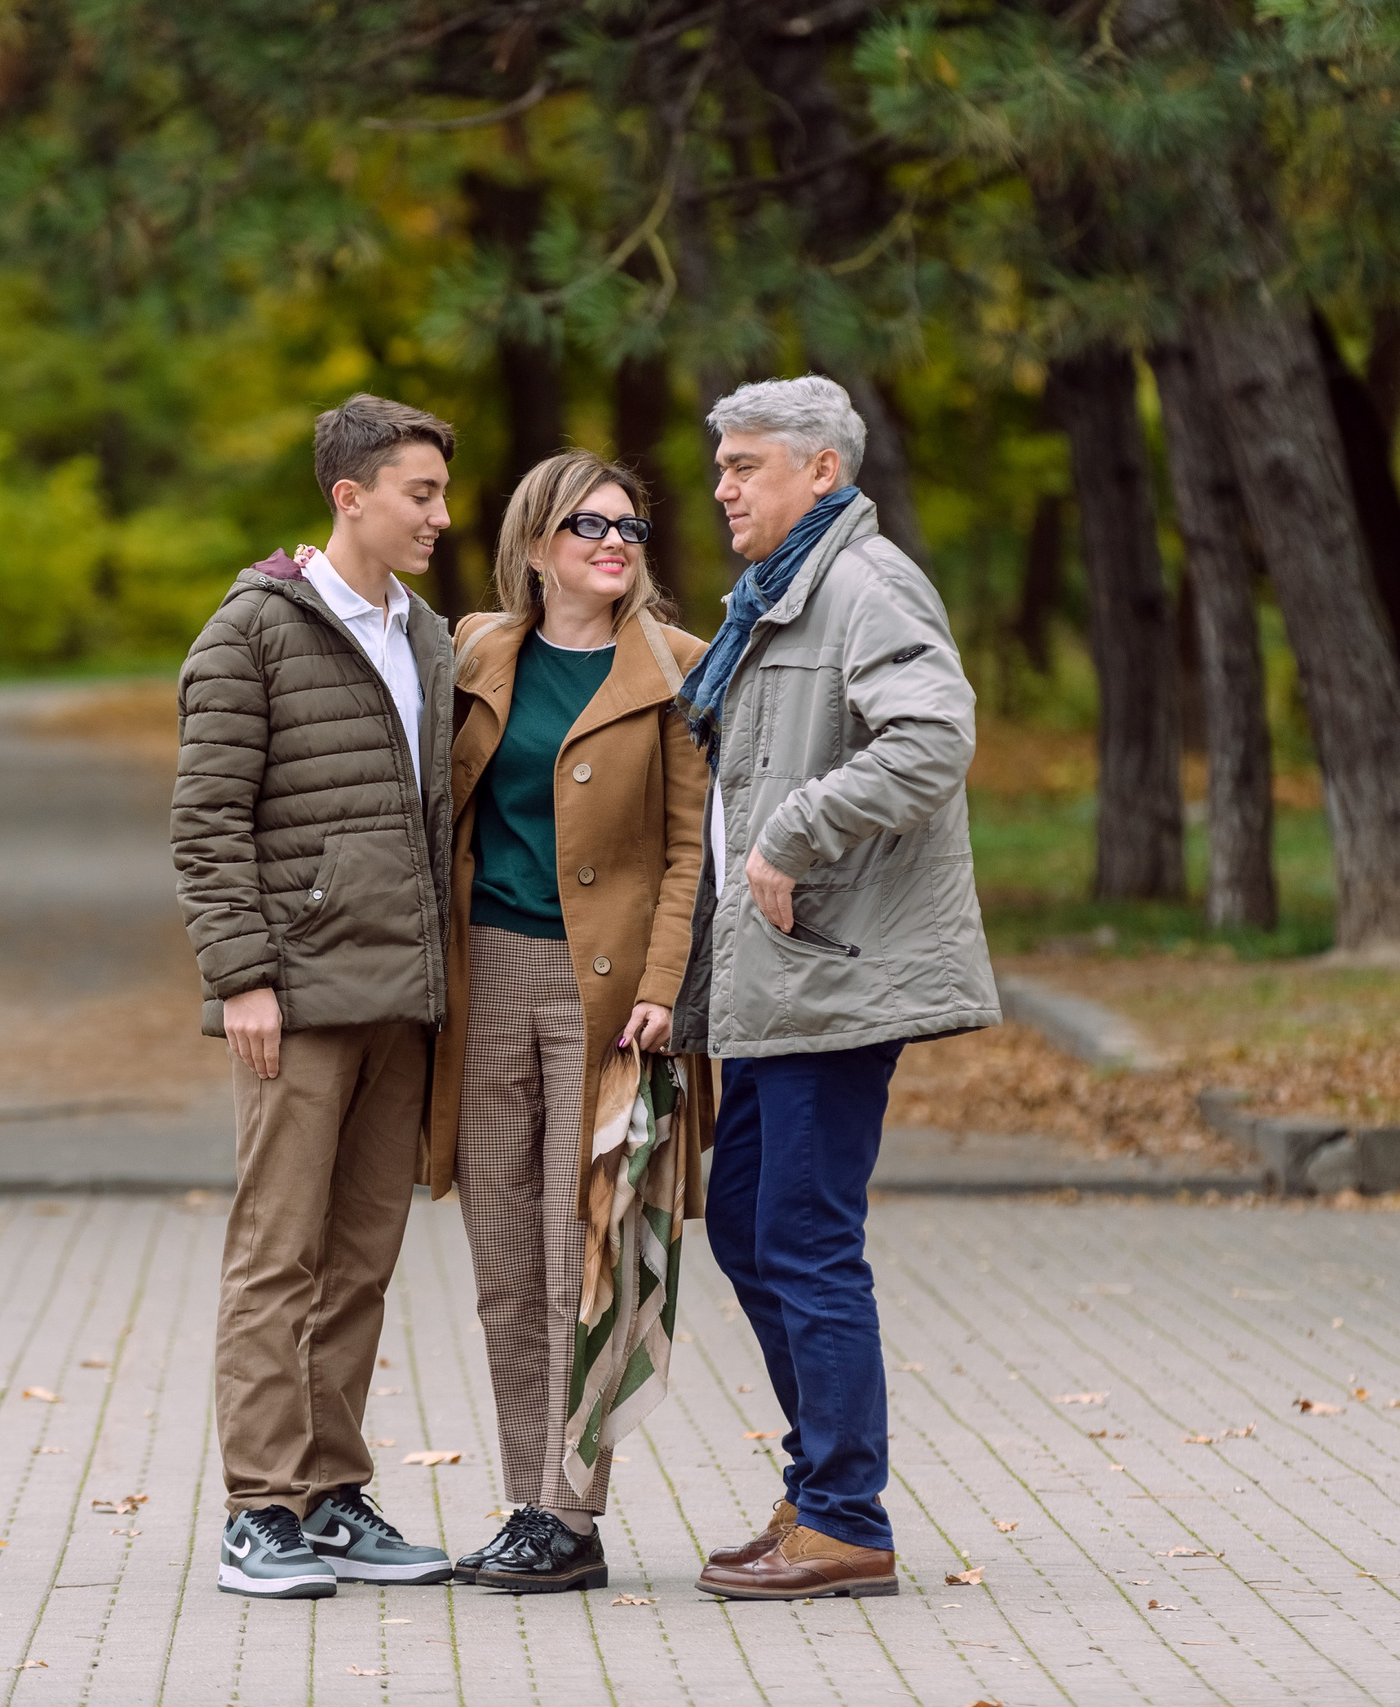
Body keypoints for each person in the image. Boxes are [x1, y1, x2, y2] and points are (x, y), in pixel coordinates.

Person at [673, 376, 1000, 1601]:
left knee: (803, 1239)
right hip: (780, 980)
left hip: (834, 971)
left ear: (821, 470)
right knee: (751, 1221)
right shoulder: (783, 593)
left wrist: (791, 833)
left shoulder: (864, 584)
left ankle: (846, 1516)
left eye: (746, 465)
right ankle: (820, 1487)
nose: (723, 487)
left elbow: (929, 736)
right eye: (721, 466)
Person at [172, 393, 462, 1600]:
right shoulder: (251, 632)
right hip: (294, 999)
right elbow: (204, 824)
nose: (441, 516)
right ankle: (259, 1512)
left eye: (443, 493)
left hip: (402, 995)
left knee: (359, 1261)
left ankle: (333, 1497)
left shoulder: (431, 636)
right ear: (349, 497)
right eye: (420, 493)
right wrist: (241, 977)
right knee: (274, 1258)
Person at [425, 448, 711, 1593]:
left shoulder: (677, 669)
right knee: (502, 1256)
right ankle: (526, 1503)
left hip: (610, 1000)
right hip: (487, 977)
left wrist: (664, 982)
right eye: (591, 526)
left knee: (581, 1248)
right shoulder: (473, 650)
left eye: (631, 528)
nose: (615, 544)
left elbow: (694, 844)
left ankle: (572, 1512)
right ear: (537, 544)